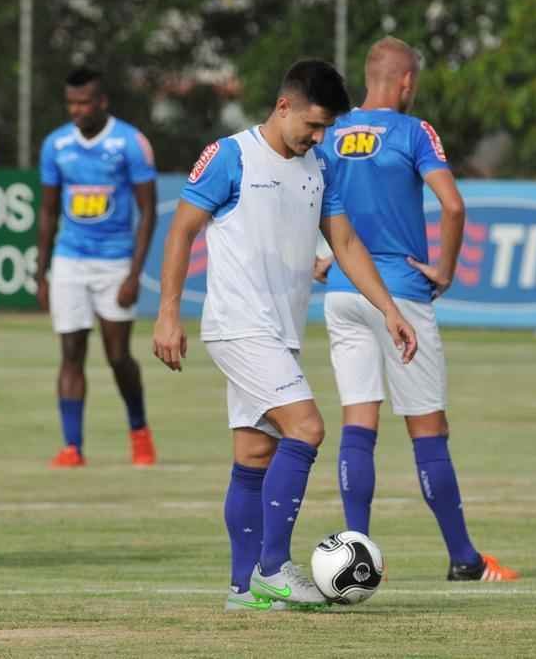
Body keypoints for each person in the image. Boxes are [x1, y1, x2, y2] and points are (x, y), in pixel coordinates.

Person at [153, 59, 418, 611]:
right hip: (239, 326)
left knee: (254, 456)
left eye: (325, 129)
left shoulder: (320, 167)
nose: (319, 138)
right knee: (309, 426)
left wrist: (390, 309)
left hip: (281, 331)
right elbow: (181, 231)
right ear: (283, 106)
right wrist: (168, 314)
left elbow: (345, 244)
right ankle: (274, 568)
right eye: (313, 126)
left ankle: (242, 588)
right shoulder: (231, 156)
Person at [312, 37, 519, 582]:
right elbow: (452, 204)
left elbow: (311, 202)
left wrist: (322, 256)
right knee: (427, 429)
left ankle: (355, 553)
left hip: (341, 290)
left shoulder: (329, 132)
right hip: (400, 290)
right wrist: (444, 271)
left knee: (359, 420)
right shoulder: (413, 130)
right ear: (406, 82)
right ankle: (464, 559)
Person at [36, 68, 158, 468]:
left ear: (102, 101)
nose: (77, 110)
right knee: (70, 352)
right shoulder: (56, 145)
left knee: (117, 355)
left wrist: (134, 273)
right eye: (71, 103)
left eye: (84, 103)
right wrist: (42, 272)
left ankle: (139, 432)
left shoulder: (129, 143)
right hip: (70, 259)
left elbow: (149, 210)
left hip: (115, 261)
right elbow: (49, 212)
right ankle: (72, 447)